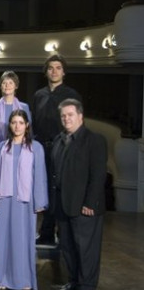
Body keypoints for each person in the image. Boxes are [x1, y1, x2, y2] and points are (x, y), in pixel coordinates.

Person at [0, 110, 48, 290]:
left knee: (23, 240)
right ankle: (1, 279)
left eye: (21, 122)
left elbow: (40, 176)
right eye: (14, 122)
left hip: (25, 201)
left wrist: (40, 201)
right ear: (10, 125)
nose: (17, 126)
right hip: (4, 199)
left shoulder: (35, 147)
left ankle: (24, 281)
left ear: (27, 125)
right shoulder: (1, 147)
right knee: (2, 240)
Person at [51, 99, 106, 290]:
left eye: (70, 114)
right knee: (67, 248)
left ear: (80, 116)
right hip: (63, 206)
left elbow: (98, 176)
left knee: (86, 251)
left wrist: (90, 203)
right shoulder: (59, 140)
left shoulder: (94, 140)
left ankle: (87, 285)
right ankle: (74, 281)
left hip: (85, 208)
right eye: (63, 115)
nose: (66, 119)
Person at [32, 55, 82, 245]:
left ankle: (62, 232)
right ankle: (45, 232)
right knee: (44, 188)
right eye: (51, 68)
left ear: (64, 72)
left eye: (58, 67)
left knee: (60, 189)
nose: (54, 71)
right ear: (46, 71)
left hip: (64, 147)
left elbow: (76, 124)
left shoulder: (72, 95)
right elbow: (36, 122)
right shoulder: (39, 95)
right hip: (42, 147)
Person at [0, 70, 31, 235]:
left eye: (10, 82)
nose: (7, 85)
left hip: (19, 156)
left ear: (16, 86)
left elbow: (29, 133)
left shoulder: (24, 107)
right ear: (0, 86)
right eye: (4, 83)